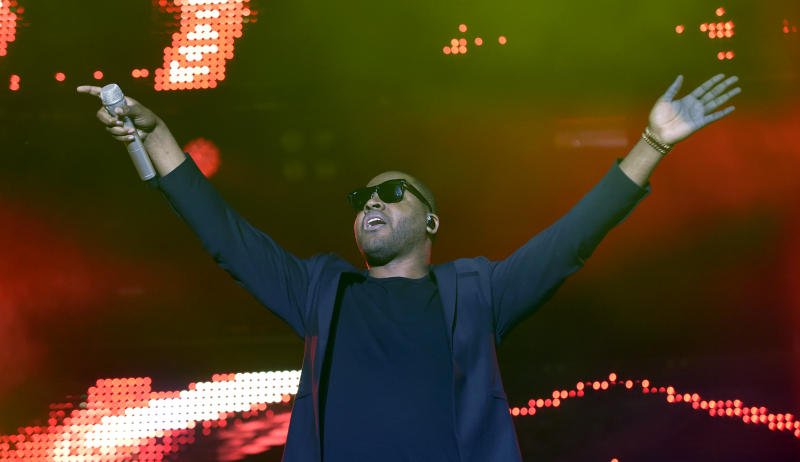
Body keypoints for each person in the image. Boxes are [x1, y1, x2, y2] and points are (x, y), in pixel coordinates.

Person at [78, 73, 740, 461]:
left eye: (393, 192)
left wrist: (652, 143)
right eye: (363, 197)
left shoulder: (477, 292)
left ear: (430, 222)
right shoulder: (321, 291)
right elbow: (228, 238)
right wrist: (160, 138)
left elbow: (570, 241)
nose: (372, 201)